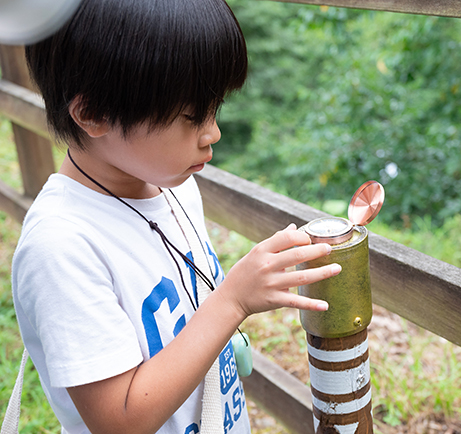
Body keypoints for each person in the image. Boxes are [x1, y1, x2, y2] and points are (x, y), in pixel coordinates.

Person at [11, 0, 340, 433]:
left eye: (214, 106)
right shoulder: (60, 248)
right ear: (93, 114)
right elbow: (119, 422)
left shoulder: (176, 186)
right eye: (191, 116)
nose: (213, 133)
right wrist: (233, 300)